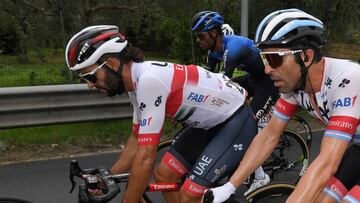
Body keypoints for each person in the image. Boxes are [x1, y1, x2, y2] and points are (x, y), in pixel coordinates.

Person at [65, 25, 258, 203]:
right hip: (211, 123)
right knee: (165, 175)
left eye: (90, 76)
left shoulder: (148, 82)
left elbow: (146, 157)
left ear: (112, 64)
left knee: (190, 194)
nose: (89, 84)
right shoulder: (135, 83)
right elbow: (137, 138)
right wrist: (108, 178)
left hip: (235, 121)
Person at [205, 8, 360, 203]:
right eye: (264, 59)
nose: (267, 69)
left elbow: (327, 162)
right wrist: (230, 186)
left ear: (305, 56)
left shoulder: (348, 78)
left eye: (273, 58)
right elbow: (269, 135)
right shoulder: (295, 86)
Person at [192, 10, 279, 194]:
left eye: (201, 36)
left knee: (247, 127)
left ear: (214, 33)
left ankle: (261, 177)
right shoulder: (213, 51)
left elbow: (220, 85)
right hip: (253, 78)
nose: (198, 41)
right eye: (197, 37)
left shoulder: (233, 48)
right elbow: (207, 80)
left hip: (268, 84)